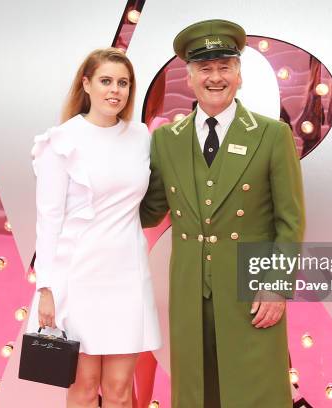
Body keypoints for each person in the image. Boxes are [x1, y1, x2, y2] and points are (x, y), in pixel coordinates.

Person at [140, 19, 305, 408]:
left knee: (256, 393)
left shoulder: (271, 134)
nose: (215, 77)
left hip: (251, 290)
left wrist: (276, 285)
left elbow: (290, 220)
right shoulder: (166, 139)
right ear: (190, 76)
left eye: (224, 67)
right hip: (188, 290)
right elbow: (150, 210)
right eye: (205, 68)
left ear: (239, 74)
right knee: (198, 394)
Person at [26, 47, 161, 408]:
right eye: (105, 81)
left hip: (128, 275)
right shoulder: (60, 141)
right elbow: (49, 219)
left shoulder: (142, 138)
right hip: (78, 278)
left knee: (119, 391)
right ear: (86, 84)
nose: (114, 90)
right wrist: (47, 287)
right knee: (83, 389)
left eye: (123, 83)